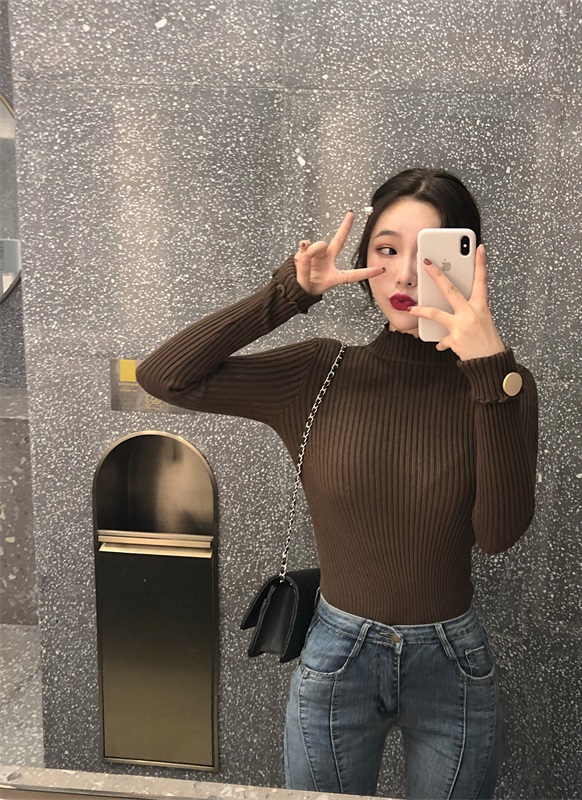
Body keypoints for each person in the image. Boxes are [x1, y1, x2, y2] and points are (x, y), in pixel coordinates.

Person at [136, 168, 539, 799]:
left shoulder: (503, 385)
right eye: (387, 250)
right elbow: (164, 376)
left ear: (467, 263)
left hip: (451, 661)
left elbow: (498, 534)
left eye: (430, 254)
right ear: (364, 261)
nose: (405, 275)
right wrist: (290, 292)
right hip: (337, 653)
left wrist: (490, 373)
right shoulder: (319, 372)